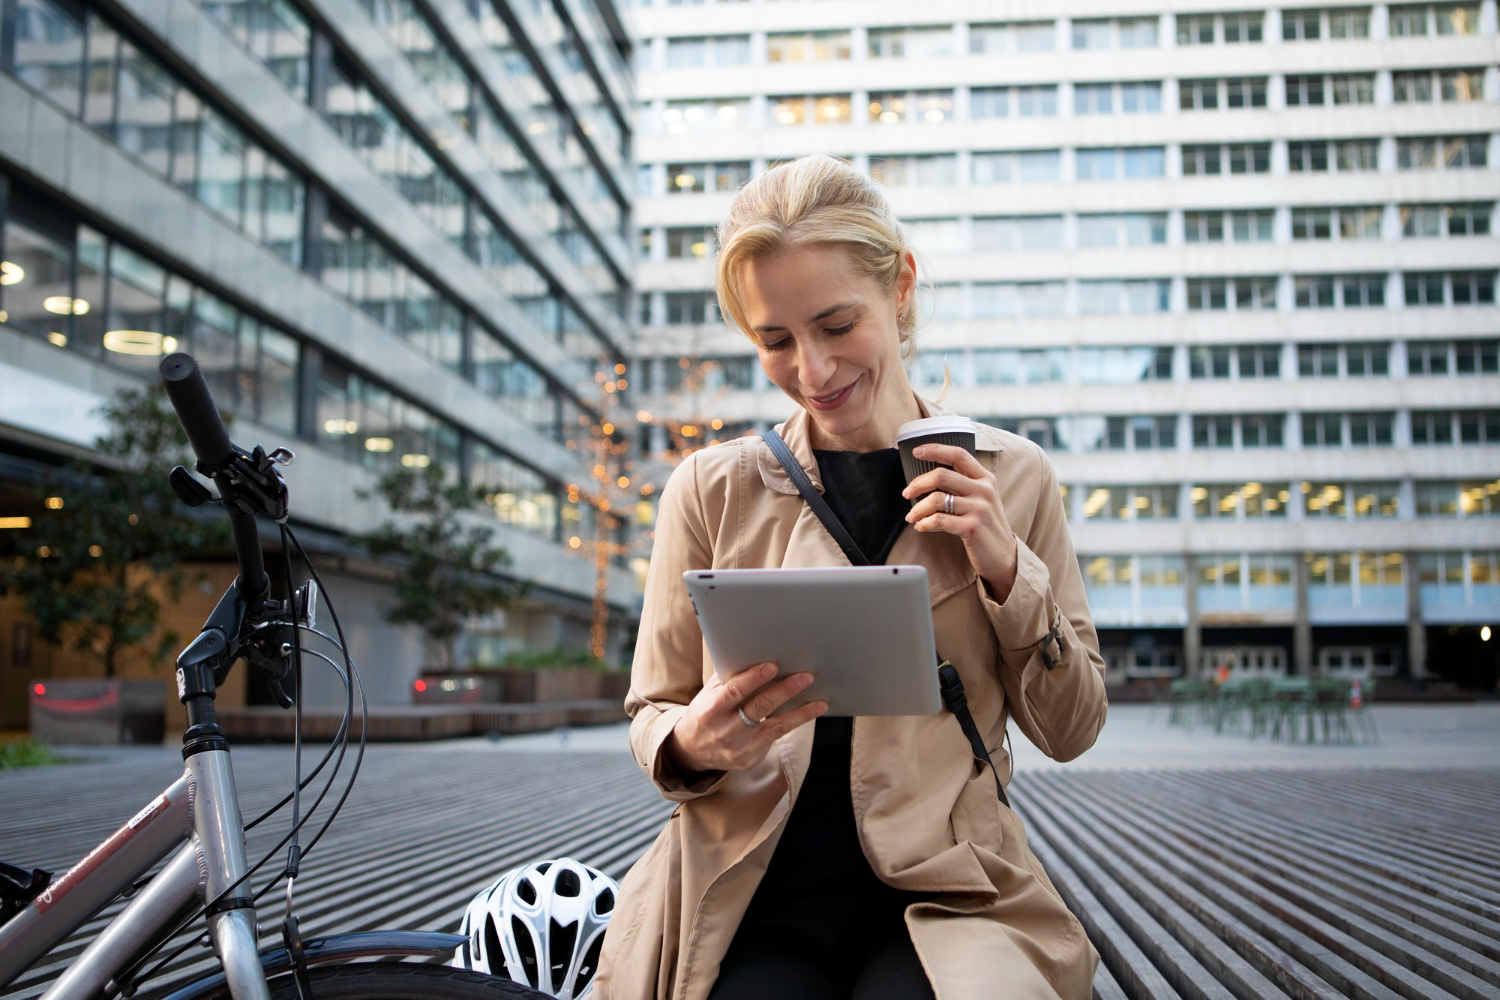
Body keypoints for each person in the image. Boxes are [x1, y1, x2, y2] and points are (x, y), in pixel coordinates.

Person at [595, 155, 1107, 1000]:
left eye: (837, 326)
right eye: (775, 341)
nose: (814, 371)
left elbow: (1072, 728)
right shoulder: (710, 489)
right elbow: (653, 709)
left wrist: (1009, 569)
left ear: (900, 287)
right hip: (744, 892)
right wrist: (694, 743)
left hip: (950, 889)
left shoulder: (1013, 477)